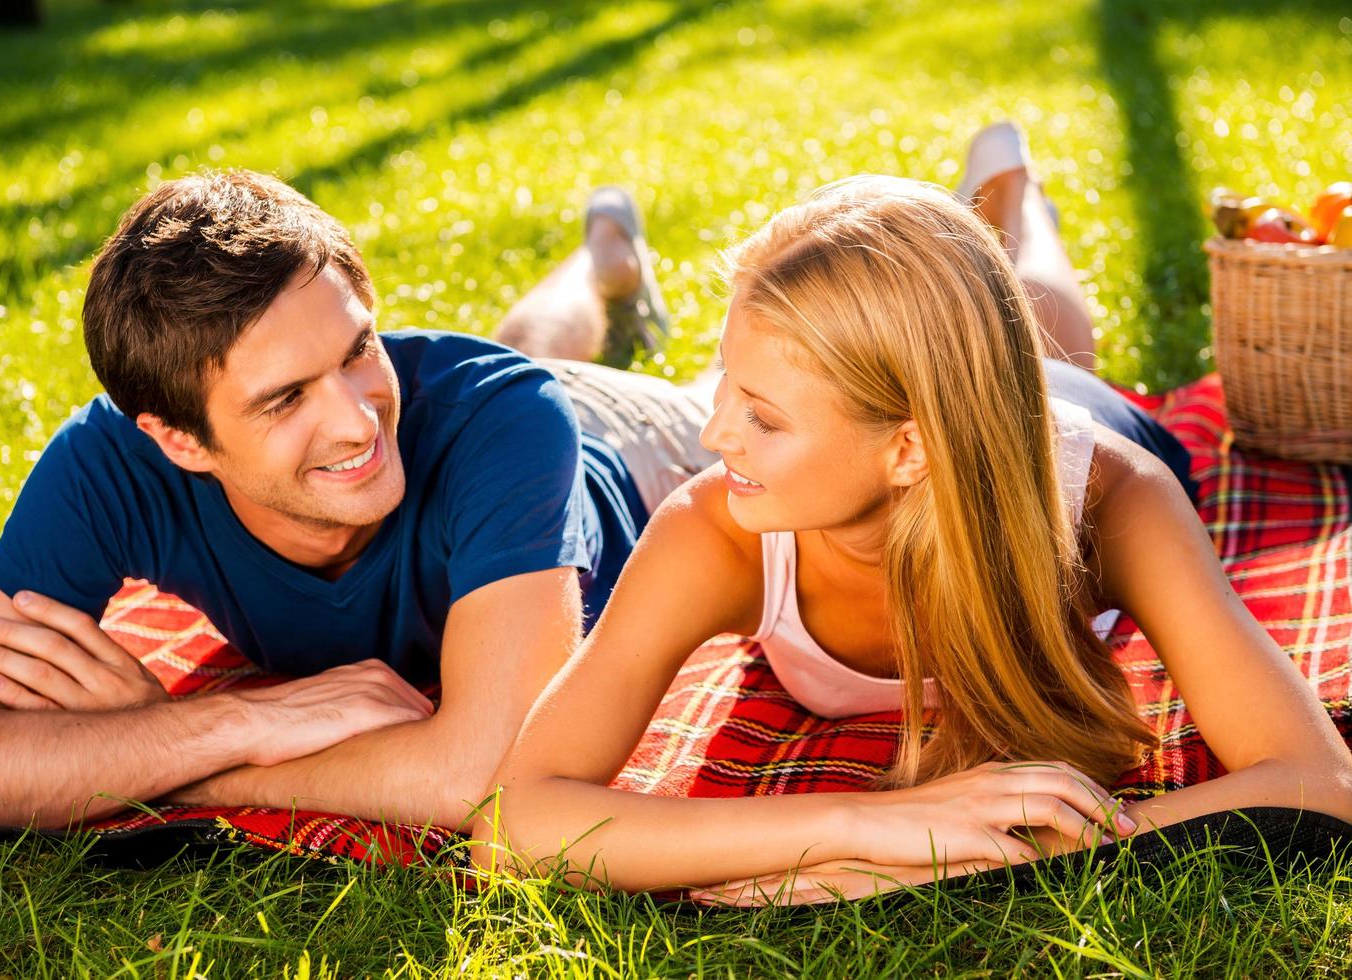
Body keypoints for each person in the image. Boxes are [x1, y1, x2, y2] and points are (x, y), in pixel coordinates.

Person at [477, 125, 1352, 904]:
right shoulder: (715, 525)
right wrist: (864, 826)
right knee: (528, 371)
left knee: (1043, 317)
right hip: (926, 396)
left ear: (906, 450)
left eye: (761, 416)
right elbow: (514, 822)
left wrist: (997, 851)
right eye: (725, 387)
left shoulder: (1111, 496)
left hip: (1048, 408)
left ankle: (1011, 190)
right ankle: (600, 257)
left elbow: (1319, 782)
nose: (713, 434)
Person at [0, 171, 717, 831]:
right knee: (514, 350)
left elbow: (485, 774)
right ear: (179, 441)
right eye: (285, 399)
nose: (357, 423)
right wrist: (228, 724)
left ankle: (606, 263)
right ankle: (603, 260)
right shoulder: (113, 466)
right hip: (482, 411)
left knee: (733, 403)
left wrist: (166, 760)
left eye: (359, 348)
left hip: (631, 449)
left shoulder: (503, 420)